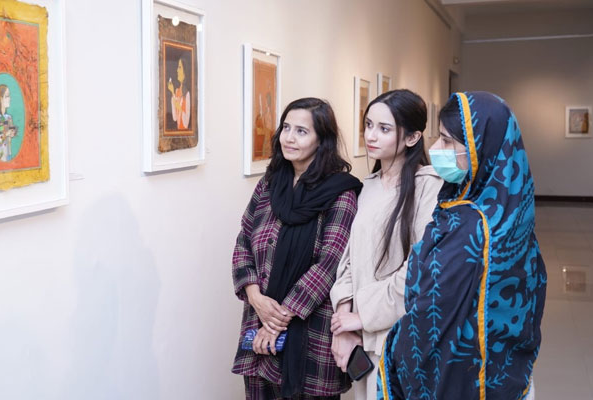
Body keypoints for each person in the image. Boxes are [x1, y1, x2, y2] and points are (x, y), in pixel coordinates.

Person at [377, 92, 546, 399]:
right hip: (506, 374)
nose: (436, 149)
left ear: (481, 147)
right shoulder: (510, 211)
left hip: (460, 382)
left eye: (447, 141)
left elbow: (428, 320)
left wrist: (393, 357)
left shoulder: (468, 228)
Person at [232, 97, 363, 399]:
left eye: (302, 131)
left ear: (322, 140)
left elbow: (330, 263)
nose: (289, 138)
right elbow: (244, 240)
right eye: (286, 128)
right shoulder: (270, 183)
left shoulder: (341, 192)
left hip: (310, 330)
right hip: (259, 318)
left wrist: (278, 320)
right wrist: (255, 297)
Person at [328, 89, 442, 400]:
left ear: (412, 137)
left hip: (402, 335)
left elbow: (420, 270)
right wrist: (345, 320)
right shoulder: (366, 187)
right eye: (368, 125)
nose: (371, 136)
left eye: (384, 128)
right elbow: (348, 261)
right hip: (362, 336)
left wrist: (363, 314)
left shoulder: (428, 187)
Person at [167, 57, 191, 130]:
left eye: (179, 67)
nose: (177, 70)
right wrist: (172, 92)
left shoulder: (187, 94)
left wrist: (178, 107)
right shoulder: (177, 91)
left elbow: (186, 124)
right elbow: (174, 118)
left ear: (184, 71)